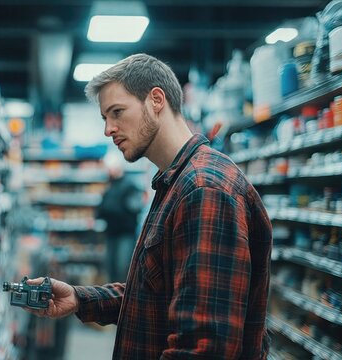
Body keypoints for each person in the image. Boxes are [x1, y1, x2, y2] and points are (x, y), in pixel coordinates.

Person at [26, 53, 272, 359]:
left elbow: (204, 347)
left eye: (117, 112)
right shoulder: (175, 181)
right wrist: (80, 298)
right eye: (105, 117)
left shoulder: (204, 188)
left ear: (156, 100)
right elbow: (157, 294)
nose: (108, 129)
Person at [96, 152, 144, 282]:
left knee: (122, 268)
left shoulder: (130, 186)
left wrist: (109, 210)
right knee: (111, 268)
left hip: (125, 235)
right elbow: (101, 209)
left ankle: (122, 299)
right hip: (111, 233)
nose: (108, 171)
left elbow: (133, 209)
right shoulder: (110, 186)